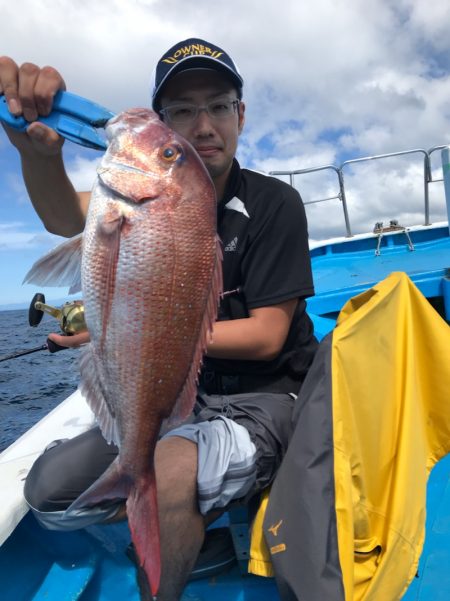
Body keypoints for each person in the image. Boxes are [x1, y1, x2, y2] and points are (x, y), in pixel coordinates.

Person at [0, 38, 317, 600]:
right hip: (174, 395)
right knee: (49, 491)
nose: (203, 125)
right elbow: (57, 216)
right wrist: (37, 154)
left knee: (167, 472)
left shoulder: (275, 204)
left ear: (240, 115)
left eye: (219, 105)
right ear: (164, 117)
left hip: (266, 395)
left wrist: (138, 332)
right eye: (181, 112)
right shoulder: (125, 201)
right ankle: (193, 513)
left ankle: (167, 571)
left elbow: (269, 337)